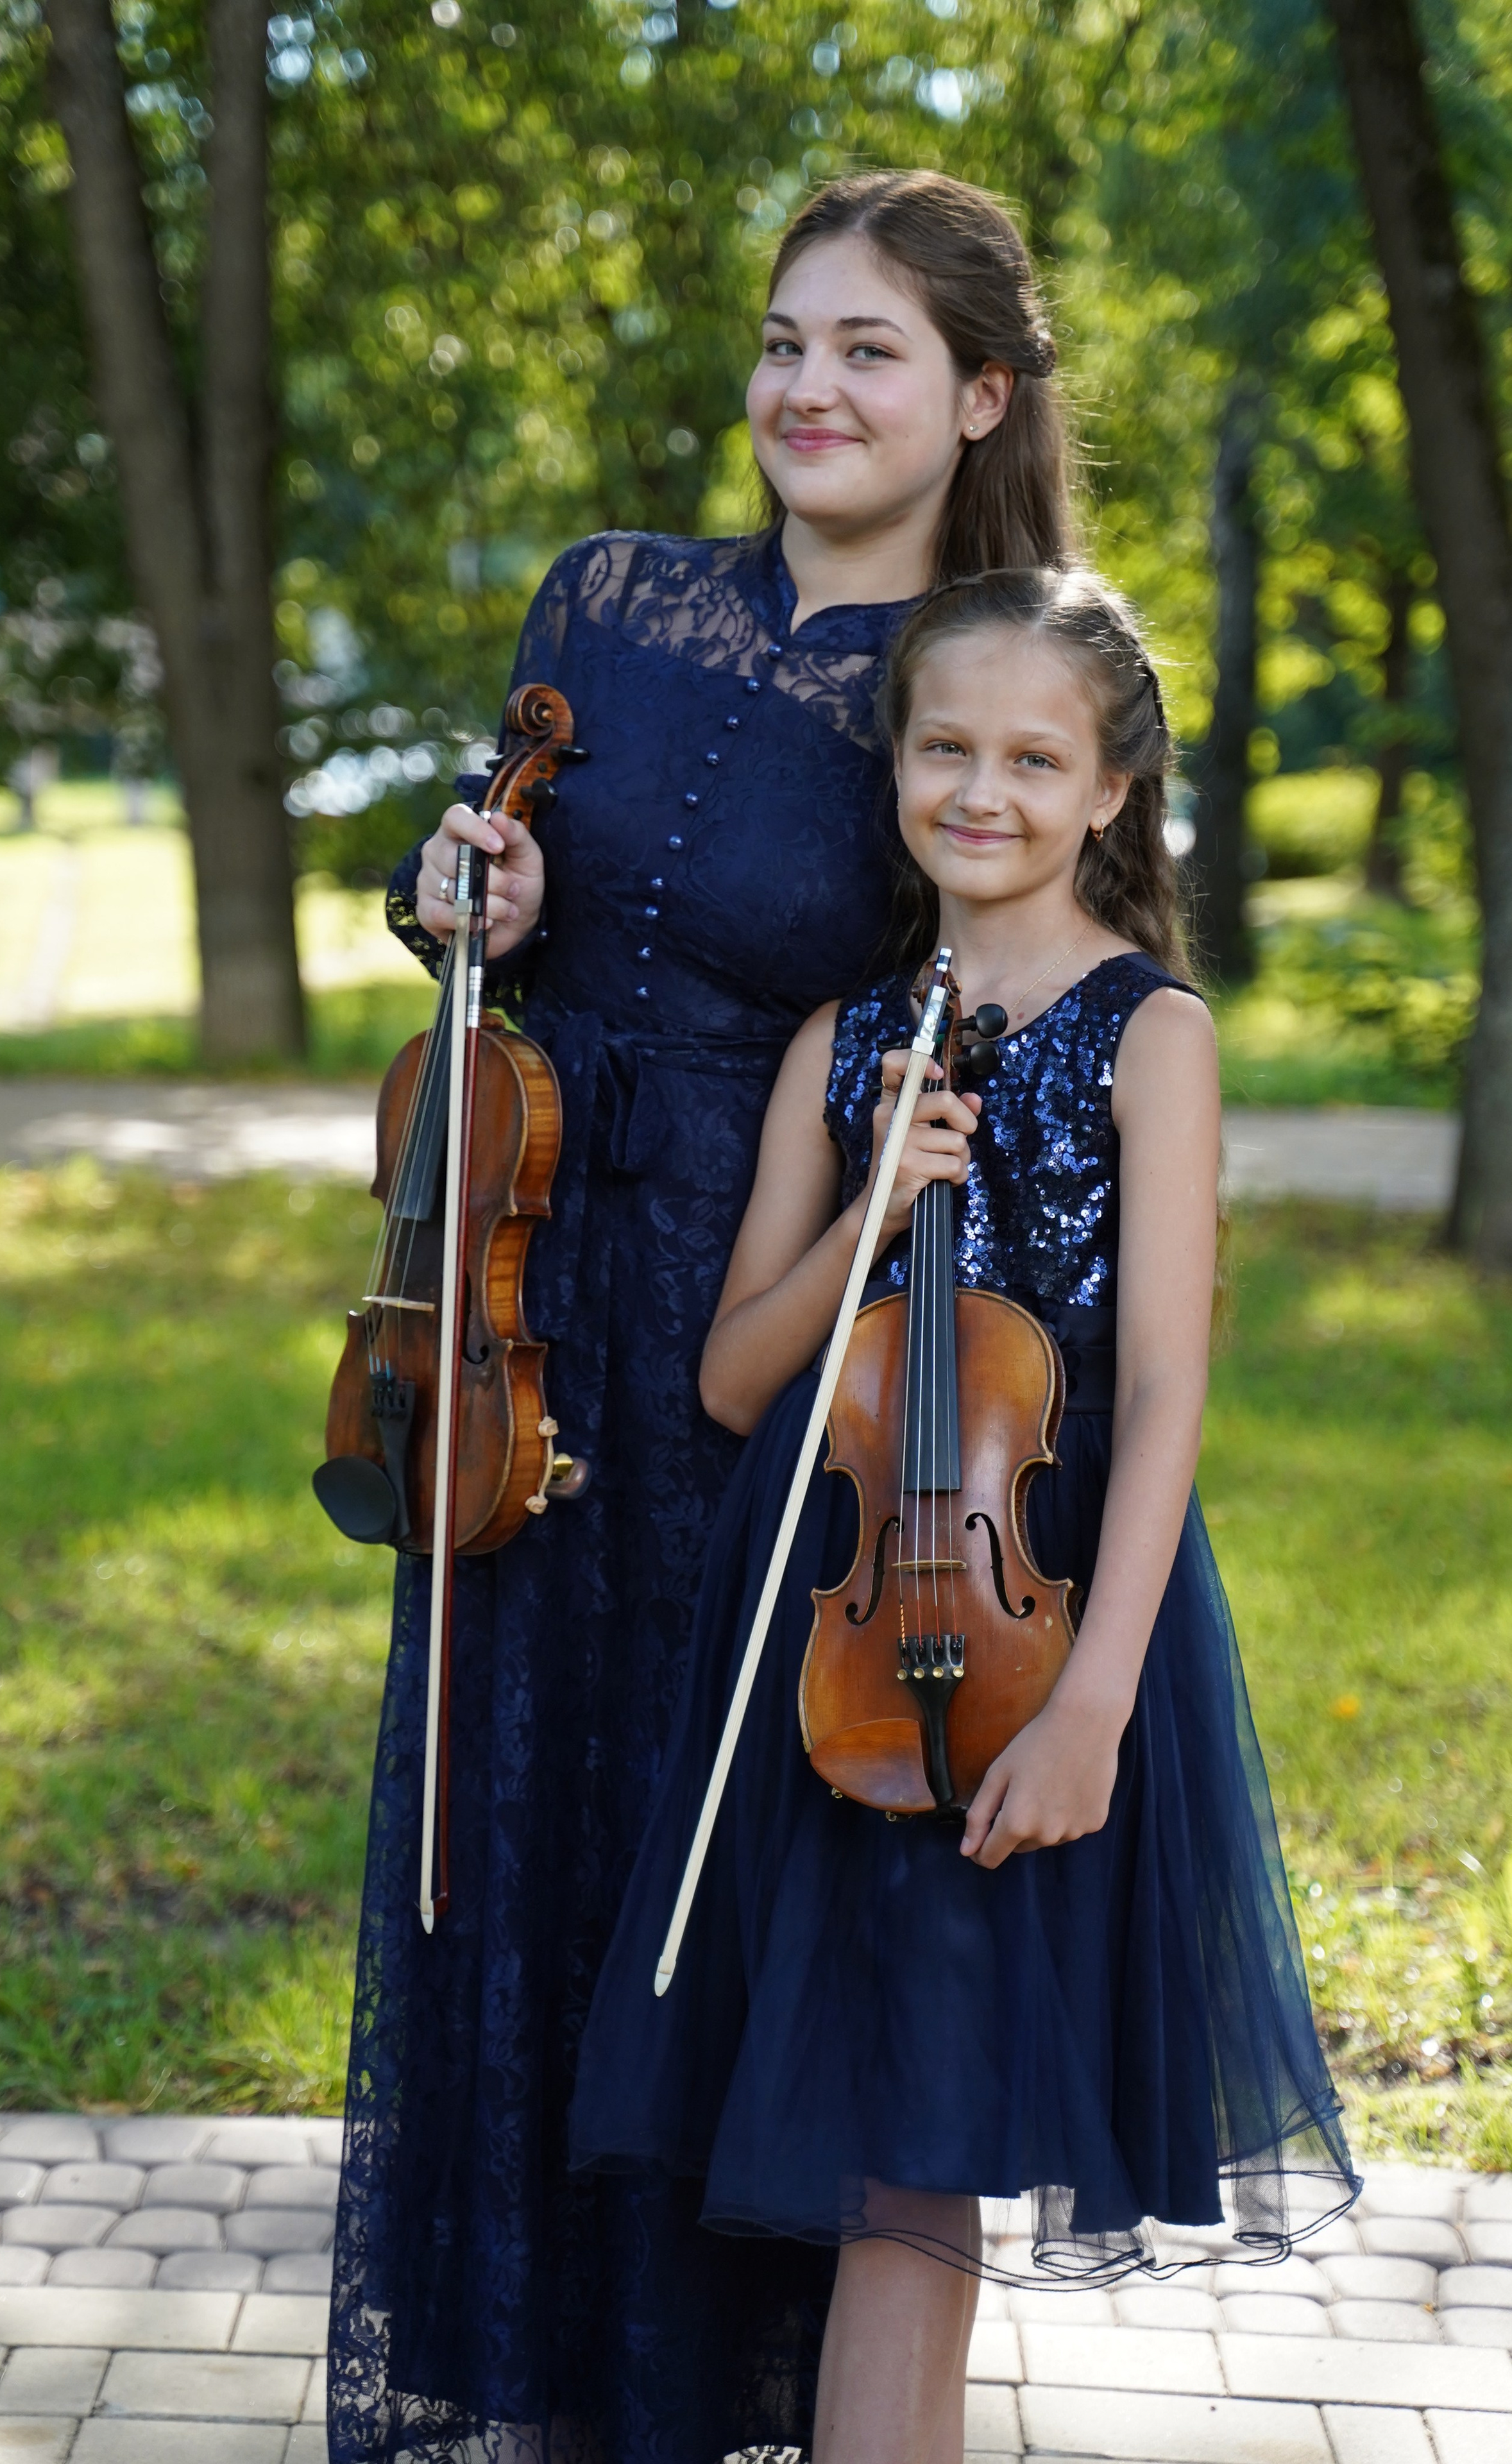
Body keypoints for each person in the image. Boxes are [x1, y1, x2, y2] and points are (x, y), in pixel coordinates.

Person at [329, 174, 1080, 2463]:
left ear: (976, 394)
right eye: (784, 340)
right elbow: (479, 881)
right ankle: (537, 2396)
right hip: (528, 1305)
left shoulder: (982, 677)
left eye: (867, 349)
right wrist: (462, 881)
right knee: (513, 1853)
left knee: (715, 1875)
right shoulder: (612, 599)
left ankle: (695, 2406)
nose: (807, 388)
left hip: (771, 1338)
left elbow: (1042, 1005)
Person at [570, 566, 1360, 2464]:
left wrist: (1093, 1697)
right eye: (946, 747)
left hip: (1048, 1614)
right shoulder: (838, 1042)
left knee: (916, 2160)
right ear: (899, 769)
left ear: (1110, 789)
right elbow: (734, 1374)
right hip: (833, 1641)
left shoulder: (1147, 1029)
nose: (981, 788)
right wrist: (866, 1207)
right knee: (887, 2165)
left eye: (1032, 755)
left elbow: (1164, 1381)